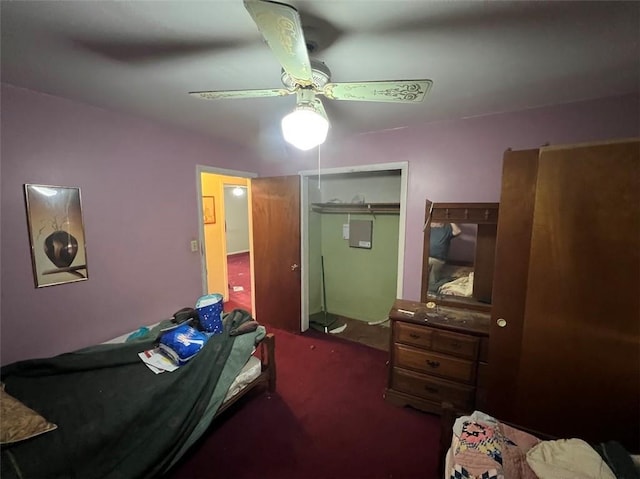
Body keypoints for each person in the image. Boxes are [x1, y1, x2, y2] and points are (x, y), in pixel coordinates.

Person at [428, 222, 461, 291]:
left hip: (438, 259)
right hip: (426, 257)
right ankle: (445, 278)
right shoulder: (428, 226)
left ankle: (448, 279)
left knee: (432, 285)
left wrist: (451, 220)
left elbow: (458, 231)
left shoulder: (447, 228)